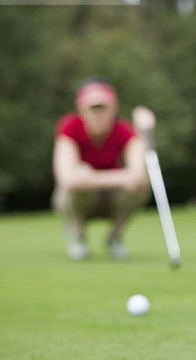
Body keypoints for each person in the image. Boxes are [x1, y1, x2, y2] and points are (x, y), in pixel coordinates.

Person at [52, 77, 154, 260]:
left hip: (112, 197)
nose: (98, 114)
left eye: (103, 108)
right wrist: (122, 176)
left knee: (142, 186)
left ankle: (114, 238)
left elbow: (138, 176)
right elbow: (67, 179)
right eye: (92, 108)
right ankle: (78, 237)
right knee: (71, 189)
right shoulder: (69, 127)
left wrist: (144, 133)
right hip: (81, 199)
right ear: (81, 109)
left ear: (113, 108)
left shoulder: (124, 130)